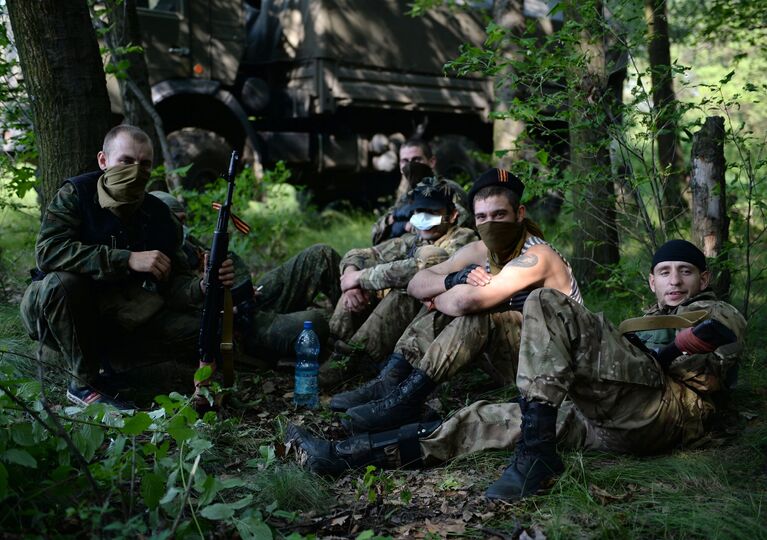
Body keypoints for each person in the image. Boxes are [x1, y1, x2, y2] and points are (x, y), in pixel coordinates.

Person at [285, 240, 746, 504]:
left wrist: (671, 349)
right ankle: (342, 456)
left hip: (667, 412)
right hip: (614, 424)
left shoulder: (715, 308)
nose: (675, 280)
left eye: (686, 271)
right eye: (664, 271)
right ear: (652, 281)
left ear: (702, 280)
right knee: (479, 419)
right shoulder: (646, 314)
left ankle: (537, 451)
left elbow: (720, 335)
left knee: (545, 300)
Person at [329, 168, 582, 433]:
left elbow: (466, 303)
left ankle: (407, 400)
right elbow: (417, 283)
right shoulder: (481, 250)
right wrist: (451, 281)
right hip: (520, 363)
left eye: (499, 215)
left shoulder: (538, 255)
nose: (490, 224)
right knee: (452, 295)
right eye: (482, 217)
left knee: (479, 315)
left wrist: (438, 297)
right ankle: (393, 384)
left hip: (557, 368)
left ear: (519, 214)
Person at [20, 125, 235, 408]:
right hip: (58, 313)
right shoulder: (77, 194)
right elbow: (47, 252)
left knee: (211, 330)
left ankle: (125, 369)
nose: (136, 170)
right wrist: (126, 258)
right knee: (64, 281)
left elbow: (174, 283)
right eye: (126, 161)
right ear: (103, 161)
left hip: (121, 316)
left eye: (144, 164)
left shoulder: (158, 216)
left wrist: (204, 285)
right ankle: (83, 385)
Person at [150, 190, 343, 363]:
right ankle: (334, 350)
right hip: (236, 329)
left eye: (183, 221)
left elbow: (230, 261)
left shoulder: (187, 244)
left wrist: (240, 290)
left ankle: (354, 329)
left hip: (247, 302)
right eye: (177, 221)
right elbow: (178, 312)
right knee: (313, 324)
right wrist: (220, 303)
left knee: (320, 256)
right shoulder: (155, 262)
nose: (181, 228)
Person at [323, 177, 478, 386]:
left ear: (452, 215)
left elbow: (421, 267)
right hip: (398, 324)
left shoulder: (464, 238)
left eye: (432, 212)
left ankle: (354, 361)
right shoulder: (416, 239)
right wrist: (351, 280)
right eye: (418, 212)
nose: (423, 218)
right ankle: (335, 350)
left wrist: (362, 277)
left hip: (434, 320)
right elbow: (359, 254)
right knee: (356, 284)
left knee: (403, 291)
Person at [370, 139, 472, 245]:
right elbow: (376, 233)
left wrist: (404, 225)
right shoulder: (407, 193)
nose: (410, 165)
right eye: (405, 161)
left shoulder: (447, 190)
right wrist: (398, 220)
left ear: (432, 162)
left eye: (416, 159)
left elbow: (459, 230)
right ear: (400, 165)